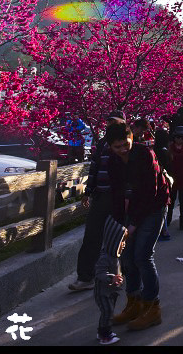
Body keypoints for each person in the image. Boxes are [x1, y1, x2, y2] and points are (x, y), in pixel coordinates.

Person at [103, 118, 171, 332]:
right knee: (127, 257)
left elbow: (149, 193)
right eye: (117, 147)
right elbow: (115, 194)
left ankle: (152, 308)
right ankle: (134, 302)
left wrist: (133, 224)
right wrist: (119, 224)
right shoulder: (112, 161)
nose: (122, 149)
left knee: (143, 255)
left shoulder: (144, 155)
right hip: (131, 210)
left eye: (126, 144)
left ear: (132, 138)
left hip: (154, 206)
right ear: (110, 147)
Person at [69, 110, 124, 292]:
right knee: (91, 237)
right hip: (100, 196)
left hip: (118, 198)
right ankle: (85, 277)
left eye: (114, 122)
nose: (110, 125)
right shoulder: (102, 144)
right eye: (108, 122)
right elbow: (94, 169)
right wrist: (88, 191)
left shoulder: (128, 143)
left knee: (116, 239)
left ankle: (115, 277)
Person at [93, 215, 127, 345]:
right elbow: (99, 273)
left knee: (109, 312)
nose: (123, 245)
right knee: (107, 312)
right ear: (114, 242)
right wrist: (111, 277)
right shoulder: (105, 257)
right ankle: (104, 335)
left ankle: (103, 331)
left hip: (111, 291)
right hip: (102, 292)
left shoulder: (115, 256)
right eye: (121, 242)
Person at [165, 127, 183, 230]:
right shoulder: (169, 148)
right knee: (171, 200)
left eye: (182, 137)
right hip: (172, 178)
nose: (180, 139)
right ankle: (168, 219)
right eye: (177, 137)